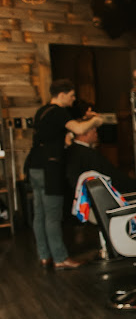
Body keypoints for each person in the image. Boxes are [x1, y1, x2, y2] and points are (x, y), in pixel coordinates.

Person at [28, 79, 104, 269]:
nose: (74, 98)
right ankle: (61, 258)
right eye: (71, 95)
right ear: (61, 95)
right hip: (49, 168)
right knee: (52, 215)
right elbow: (78, 129)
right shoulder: (58, 112)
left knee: (40, 214)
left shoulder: (42, 111)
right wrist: (96, 120)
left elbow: (67, 128)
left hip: (34, 166)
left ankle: (45, 256)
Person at [65, 121, 136, 195]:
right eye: (94, 131)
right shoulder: (88, 154)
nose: (96, 134)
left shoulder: (72, 150)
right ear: (84, 134)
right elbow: (115, 178)